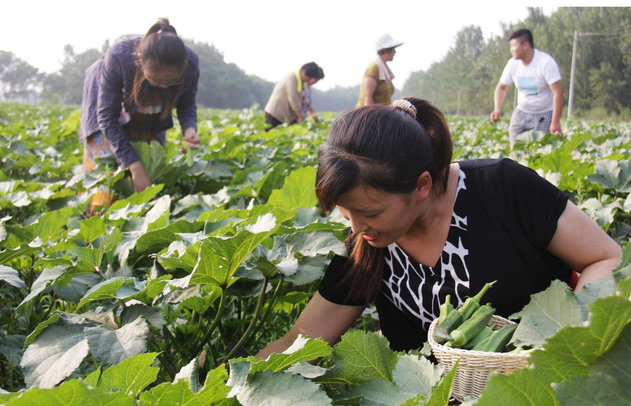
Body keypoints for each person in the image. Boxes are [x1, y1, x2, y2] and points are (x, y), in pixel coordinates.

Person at [257, 97, 620, 356]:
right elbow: (300, 340)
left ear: (422, 186)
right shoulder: (367, 242)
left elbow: (604, 257)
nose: (355, 227)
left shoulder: (503, 189)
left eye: (369, 211)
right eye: (345, 212)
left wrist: (574, 339)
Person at [79, 18, 200, 214]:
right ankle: (94, 234)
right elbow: (107, 119)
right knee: (105, 184)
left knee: (149, 186)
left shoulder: (190, 63)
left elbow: (187, 103)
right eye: (157, 80)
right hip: (106, 104)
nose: (164, 86)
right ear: (140, 62)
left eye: (171, 82)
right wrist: (134, 168)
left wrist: (190, 129)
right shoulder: (120, 56)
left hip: (152, 114)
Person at [490, 28, 563, 144]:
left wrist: (555, 122)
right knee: (515, 146)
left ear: (525, 45)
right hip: (522, 111)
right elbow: (501, 87)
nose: (511, 49)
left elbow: (558, 92)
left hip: (543, 114)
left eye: (513, 46)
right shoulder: (512, 64)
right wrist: (497, 109)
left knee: (540, 150)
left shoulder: (546, 63)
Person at [264, 62, 324, 129]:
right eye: (309, 78)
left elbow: (302, 101)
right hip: (275, 114)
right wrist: (300, 116)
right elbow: (293, 99)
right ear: (304, 73)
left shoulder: (301, 82)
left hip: (285, 116)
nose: (308, 80)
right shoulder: (292, 78)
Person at [356, 34, 403, 108]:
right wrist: (373, 118)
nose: (395, 52)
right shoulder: (374, 68)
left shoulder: (384, 69)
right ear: (386, 50)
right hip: (370, 116)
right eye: (393, 49)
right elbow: (367, 97)